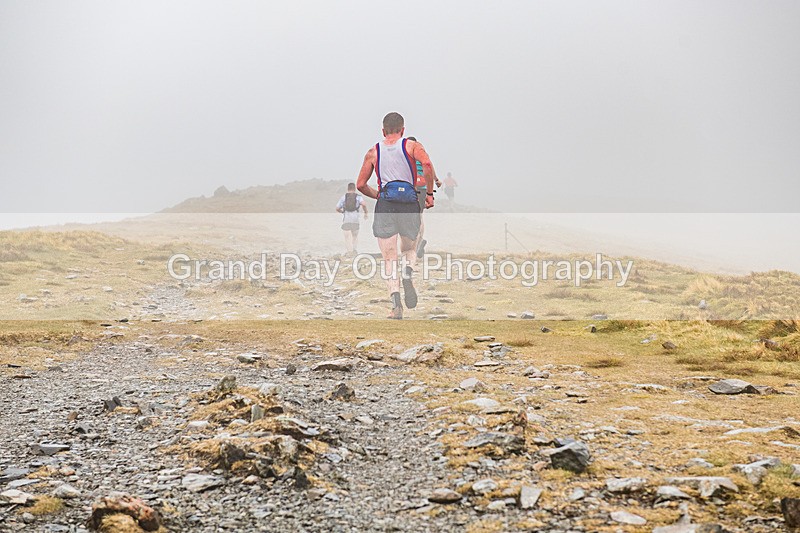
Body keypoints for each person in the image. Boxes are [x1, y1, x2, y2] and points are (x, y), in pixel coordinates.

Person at [356, 112, 435, 319]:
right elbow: (427, 165)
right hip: (408, 203)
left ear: (383, 130)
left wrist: (379, 195)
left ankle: (396, 306)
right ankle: (408, 272)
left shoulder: (373, 152)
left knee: (389, 258)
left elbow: (360, 185)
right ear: (403, 130)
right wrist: (428, 194)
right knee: (410, 248)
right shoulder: (411, 146)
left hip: (386, 205)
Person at [406, 136, 441, 258]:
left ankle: (412, 245)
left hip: (410, 188)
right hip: (423, 188)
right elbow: (429, 166)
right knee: (420, 216)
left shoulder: (406, 153)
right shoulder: (422, 153)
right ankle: (419, 241)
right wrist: (436, 180)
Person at [336, 182, 368, 254]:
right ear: (354, 189)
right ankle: (354, 250)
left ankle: (349, 251)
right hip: (355, 219)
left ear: (348, 189)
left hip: (346, 219)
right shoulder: (358, 197)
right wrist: (365, 213)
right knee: (355, 236)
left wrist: (342, 212)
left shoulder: (344, 197)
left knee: (347, 237)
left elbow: (337, 208)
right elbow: (364, 204)